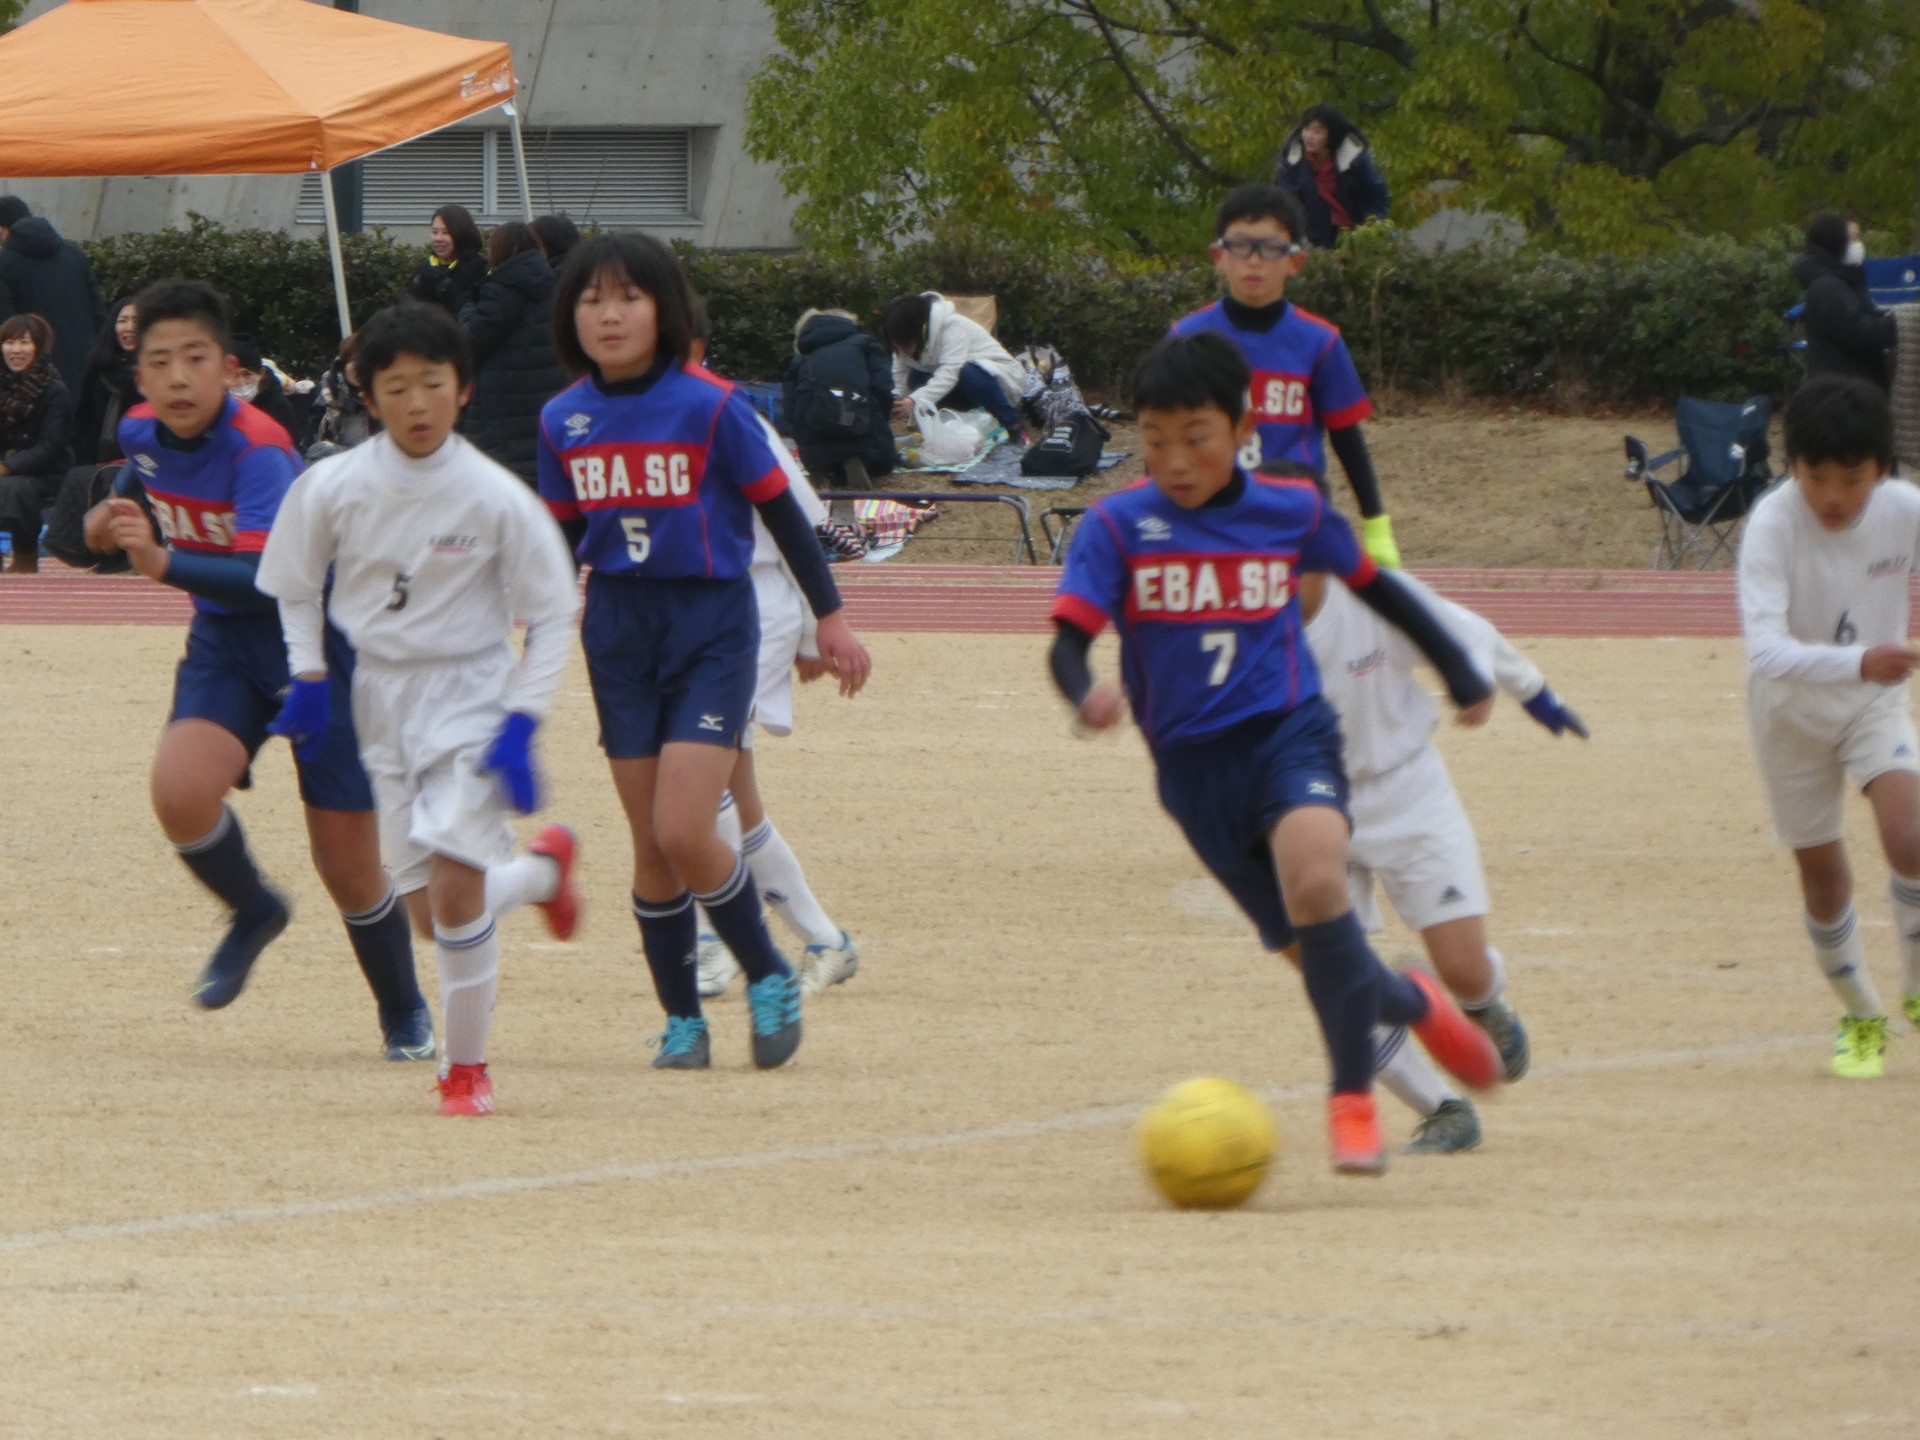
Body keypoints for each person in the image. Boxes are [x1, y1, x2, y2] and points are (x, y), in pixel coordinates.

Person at [1048, 330, 1501, 1174]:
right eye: (1152, 441)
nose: (1174, 460)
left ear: (1242, 425)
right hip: (1192, 775)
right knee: (1324, 957)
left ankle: (1352, 1101)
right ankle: (1416, 1002)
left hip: (1290, 733)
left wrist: (1461, 670)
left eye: (1195, 437)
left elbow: (1382, 594)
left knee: (1319, 877)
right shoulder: (1117, 527)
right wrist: (1087, 695)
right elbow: (1067, 644)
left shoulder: (1290, 513)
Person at [535, 231, 872, 1071]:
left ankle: (766, 972)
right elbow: (558, 541)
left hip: (711, 628)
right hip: (616, 634)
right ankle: (682, 1020)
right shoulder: (561, 418)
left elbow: (787, 516)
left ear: (664, 310)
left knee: (686, 826)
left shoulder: (712, 406)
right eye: (590, 300)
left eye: (628, 298)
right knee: (651, 845)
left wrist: (826, 619)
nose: (609, 315)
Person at [80, 280, 432, 1059]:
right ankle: (255, 910)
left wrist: (162, 561)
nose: (176, 378)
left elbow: (271, 580)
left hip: (316, 652)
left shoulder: (260, 448)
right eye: (159, 362)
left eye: (194, 360)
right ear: (139, 377)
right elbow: (128, 492)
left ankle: (403, 1008)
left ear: (230, 371)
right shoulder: (142, 430)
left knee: (346, 865)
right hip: (227, 648)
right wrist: (101, 519)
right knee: (179, 791)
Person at [257, 302, 582, 1117]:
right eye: (395, 386)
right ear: (368, 396)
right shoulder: (330, 486)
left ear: (463, 390)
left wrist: (521, 722)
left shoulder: (496, 497)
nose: (416, 403)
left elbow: (553, 612)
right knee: (426, 912)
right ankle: (542, 871)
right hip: (378, 696)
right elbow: (294, 586)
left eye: (432, 384)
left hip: (470, 693)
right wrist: (308, 675)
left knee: (457, 888)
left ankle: (467, 1071)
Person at [1297, 549, 1589, 1151]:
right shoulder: (1235, 619)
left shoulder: (1373, 594)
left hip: (1405, 788)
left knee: (1462, 967)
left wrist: (1529, 693)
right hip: (1306, 803)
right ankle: (1444, 1110)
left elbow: (1468, 632)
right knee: (1339, 981)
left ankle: (1484, 1001)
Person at [1737, 374, 1920, 1079]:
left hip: (1873, 703)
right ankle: (1861, 1014)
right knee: (1823, 879)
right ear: (1793, 468)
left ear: (1882, 468)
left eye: (1853, 477)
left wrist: (1873, 669)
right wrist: (1863, 660)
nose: (1835, 497)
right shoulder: (1773, 524)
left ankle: (1915, 982)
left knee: (1910, 837)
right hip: (1789, 715)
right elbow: (1766, 651)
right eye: (1818, 477)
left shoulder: (1903, 509)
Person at [687, 305, 862, 999]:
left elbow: (803, 521)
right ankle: (820, 938)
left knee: (698, 788)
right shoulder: (630, 417)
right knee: (730, 794)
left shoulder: (733, 416)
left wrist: (813, 629)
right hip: (686, 615)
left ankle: (717, 942)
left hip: (749, 606)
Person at [1172, 183, 1401, 568]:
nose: (1254, 261)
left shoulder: (1320, 342)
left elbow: (1347, 438)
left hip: (1294, 508)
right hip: (1214, 507)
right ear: (1219, 256)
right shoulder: (1187, 338)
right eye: (1240, 246)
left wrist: (1375, 524)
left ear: (1295, 261)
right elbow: (1166, 433)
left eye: (1271, 247)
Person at [458, 220, 564, 486]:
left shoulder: (500, 289)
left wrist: (466, 309)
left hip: (504, 398)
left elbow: (473, 340)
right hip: (545, 392)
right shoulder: (553, 284)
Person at [881, 291, 1027, 443]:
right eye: (898, 345)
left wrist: (914, 401)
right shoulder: (903, 344)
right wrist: (895, 401)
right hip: (960, 387)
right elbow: (899, 375)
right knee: (916, 377)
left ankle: (1014, 426)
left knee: (967, 373)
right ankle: (948, 428)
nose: (903, 351)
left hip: (994, 381)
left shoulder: (952, 326)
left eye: (906, 344)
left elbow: (949, 374)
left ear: (919, 331)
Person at [0, 196, 106, 393]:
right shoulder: (74, 254)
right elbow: (98, 312)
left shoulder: (4, 262)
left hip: (33, 375)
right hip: (83, 365)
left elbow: (6, 322)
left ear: (3, 229)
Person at [783, 307, 897, 489]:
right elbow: (882, 387)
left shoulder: (802, 360)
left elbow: (790, 407)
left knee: (816, 423)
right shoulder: (865, 344)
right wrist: (882, 419)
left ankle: (827, 469)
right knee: (865, 422)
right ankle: (862, 461)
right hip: (861, 426)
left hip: (817, 436)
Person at [0, 314, 72, 573]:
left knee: (15, 488)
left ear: (38, 347)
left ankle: (25, 554)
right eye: (9, 343)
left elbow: (51, 446)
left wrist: (8, 466)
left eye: (24, 343)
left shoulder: (54, 390)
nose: (15, 350)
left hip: (43, 472)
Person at [1794, 212, 1895, 394]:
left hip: (1848, 388)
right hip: (1845, 396)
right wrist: (1899, 325)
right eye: (1853, 238)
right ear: (1835, 243)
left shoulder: (1845, 280)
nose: (1858, 245)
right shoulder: (1830, 287)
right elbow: (1857, 331)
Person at [1273, 105, 1390, 251]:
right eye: (1306, 128)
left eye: (1317, 131)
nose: (1309, 136)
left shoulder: (1354, 159)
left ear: (1331, 135)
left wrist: (1370, 232)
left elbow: (1376, 197)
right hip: (1311, 240)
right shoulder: (1293, 161)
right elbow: (1285, 204)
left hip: (1355, 235)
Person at [71, 296, 139, 465]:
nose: (129, 328)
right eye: (122, 321)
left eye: (136, 321)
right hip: (98, 462)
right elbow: (83, 418)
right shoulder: (99, 367)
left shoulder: (156, 372)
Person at [405, 204, 488, 318]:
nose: (438, 239)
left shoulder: (479, 269)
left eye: (446, 233)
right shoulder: (423, 270)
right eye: (435, 232)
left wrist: (445, 287)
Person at [228, 333, 295, 436]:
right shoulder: (213, 406)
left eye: (247, 374)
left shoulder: (278, 407)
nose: (241, 383)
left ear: (261, 374)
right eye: (234, 375)